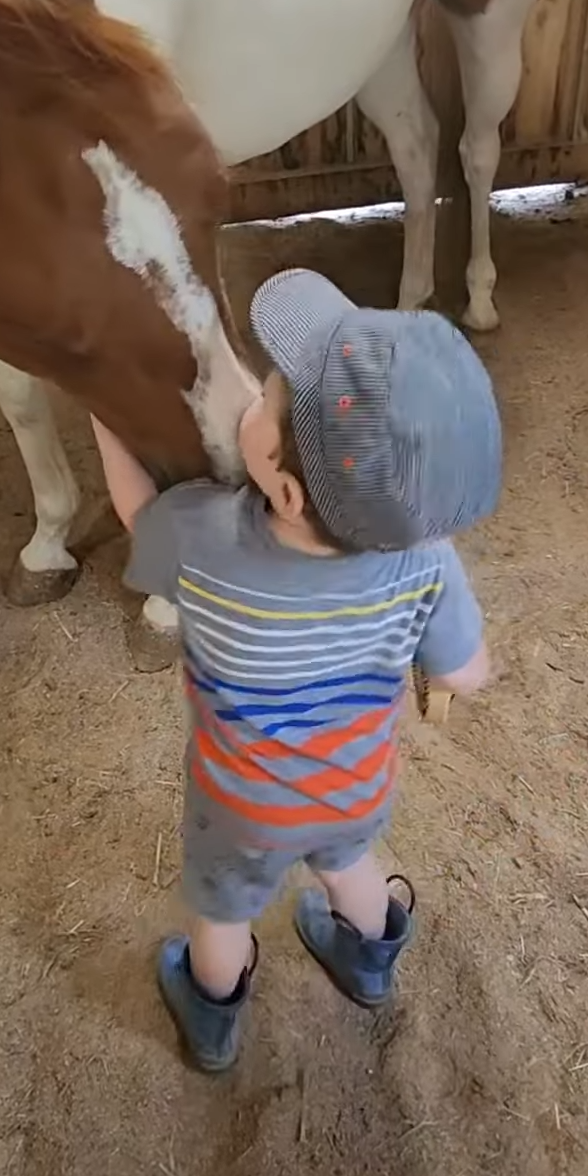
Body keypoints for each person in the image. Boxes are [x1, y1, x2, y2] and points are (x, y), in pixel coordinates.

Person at [89, 268, 501, 1073]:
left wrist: (105, 415)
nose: (254, 389)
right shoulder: (426, 559)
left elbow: (137, 518)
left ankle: (212, 1011)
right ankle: (369, 959)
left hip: (239, 804)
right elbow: (470, 673)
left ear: (280, 485)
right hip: (354, 785)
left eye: (267, 394)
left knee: (220, 908)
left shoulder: (208, 537)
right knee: (349, 865)